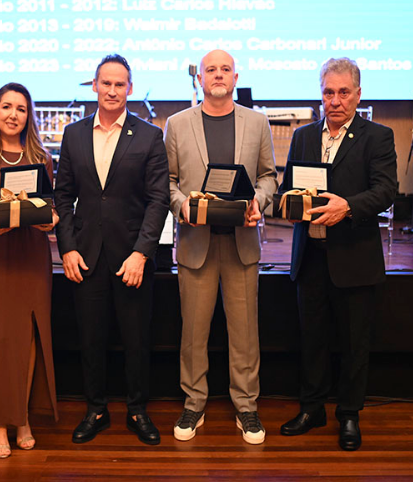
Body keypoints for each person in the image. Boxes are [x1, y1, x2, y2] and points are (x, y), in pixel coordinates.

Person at [279, 58, 397, 451]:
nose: (335, 100)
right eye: (328, 92)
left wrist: (347, 207)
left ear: (358, 95)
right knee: (311, 339)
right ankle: (312, 409)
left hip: (354, 257)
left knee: (353, 343)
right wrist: (287, 203)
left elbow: (386, 190)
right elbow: (289, 186)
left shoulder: (377, 136)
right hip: (309, 256)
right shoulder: (303, 136)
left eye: (343, 92)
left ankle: (348, 415)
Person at [54, 54, 169, 446]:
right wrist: (67, 248)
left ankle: (137, 410)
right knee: (91, 338)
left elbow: (158, 199)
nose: (113, 90)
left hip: (131, 256)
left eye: (120, 84)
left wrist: (142, 253)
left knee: (136, 339)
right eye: (106, 83)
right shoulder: (73, 134)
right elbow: (62, 196)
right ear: (94, 85)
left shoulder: (150, 135)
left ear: (130, 89)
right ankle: (96, 410)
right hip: (85, 255)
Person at [165, 49, 277, 445]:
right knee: (193, 333)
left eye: (225, 69)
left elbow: (268, 176)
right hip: (196, 243)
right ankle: (194, 402)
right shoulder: (177, 124)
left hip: (241, 244)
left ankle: (246, 406)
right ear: (199, 78)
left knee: (244, 332)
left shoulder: (257, 122)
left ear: (235, 77)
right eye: (210, 69)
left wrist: (258, 202)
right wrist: (183, 207)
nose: (217, 75)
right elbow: (168, 181)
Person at [0, 82, 59, 459]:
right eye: (6, 106)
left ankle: (22, 418)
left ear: (28, 115)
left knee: (28, 337)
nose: (13, 114)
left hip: (31, 255)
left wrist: (50, 221)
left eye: (20, 108)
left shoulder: (42, 157)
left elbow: (50, 209)